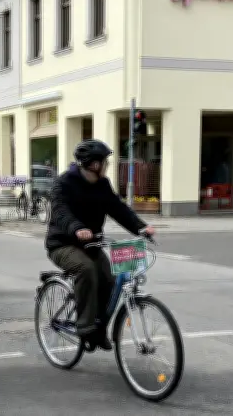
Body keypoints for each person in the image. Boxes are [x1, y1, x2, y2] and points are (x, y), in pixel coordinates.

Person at [45, 139, 155, 352]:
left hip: (91, 244)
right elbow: (60, 211)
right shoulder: (64, 183)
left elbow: (118, 209)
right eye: (105, 162)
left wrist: (141, 227)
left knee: (111, 280)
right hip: (62, 244)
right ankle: (86, 327)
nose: (107, 165)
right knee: (86, 269)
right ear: (94, 164)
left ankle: (99, 328)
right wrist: (77, 228)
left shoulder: (102, 185)